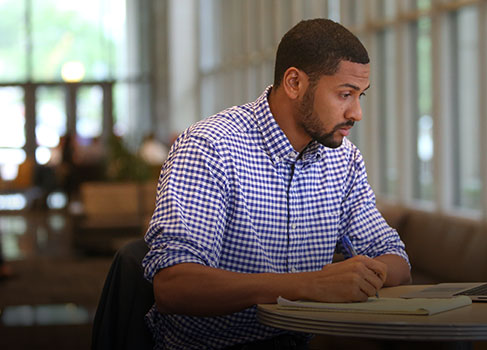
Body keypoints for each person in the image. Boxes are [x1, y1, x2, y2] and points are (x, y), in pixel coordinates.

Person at [142, 18, 411, 349]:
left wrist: (362, 274)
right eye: (345, 94)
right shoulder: (211, 146)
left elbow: (397, 262)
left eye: (360, 96)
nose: (356, 112)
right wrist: (308, 284)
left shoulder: (344, 160)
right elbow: (174, 285)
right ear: (295, 83)